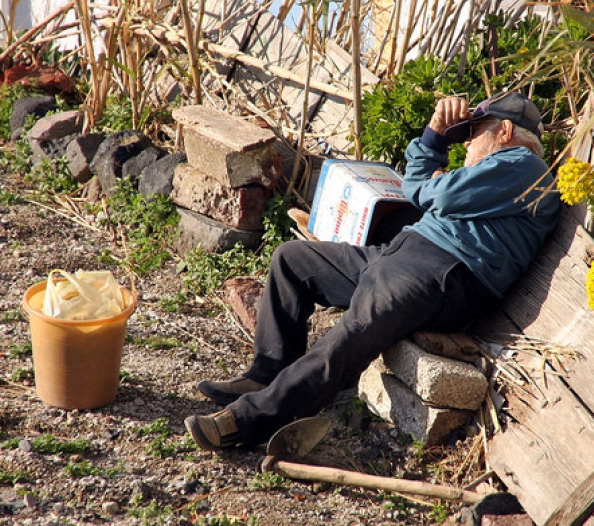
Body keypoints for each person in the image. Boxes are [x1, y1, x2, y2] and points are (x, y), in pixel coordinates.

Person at [184, 91, 560, 450]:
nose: (465, 145)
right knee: (293, 261)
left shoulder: (525, 166)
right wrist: (432, 135)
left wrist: (436, 184)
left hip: (442, 272)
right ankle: (266, 374)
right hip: (405, 258)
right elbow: (420, 190)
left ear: (505, 132)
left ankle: (244, 422)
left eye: (475, 134)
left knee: (351, 335)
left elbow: (437, 195)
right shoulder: (495, 177)